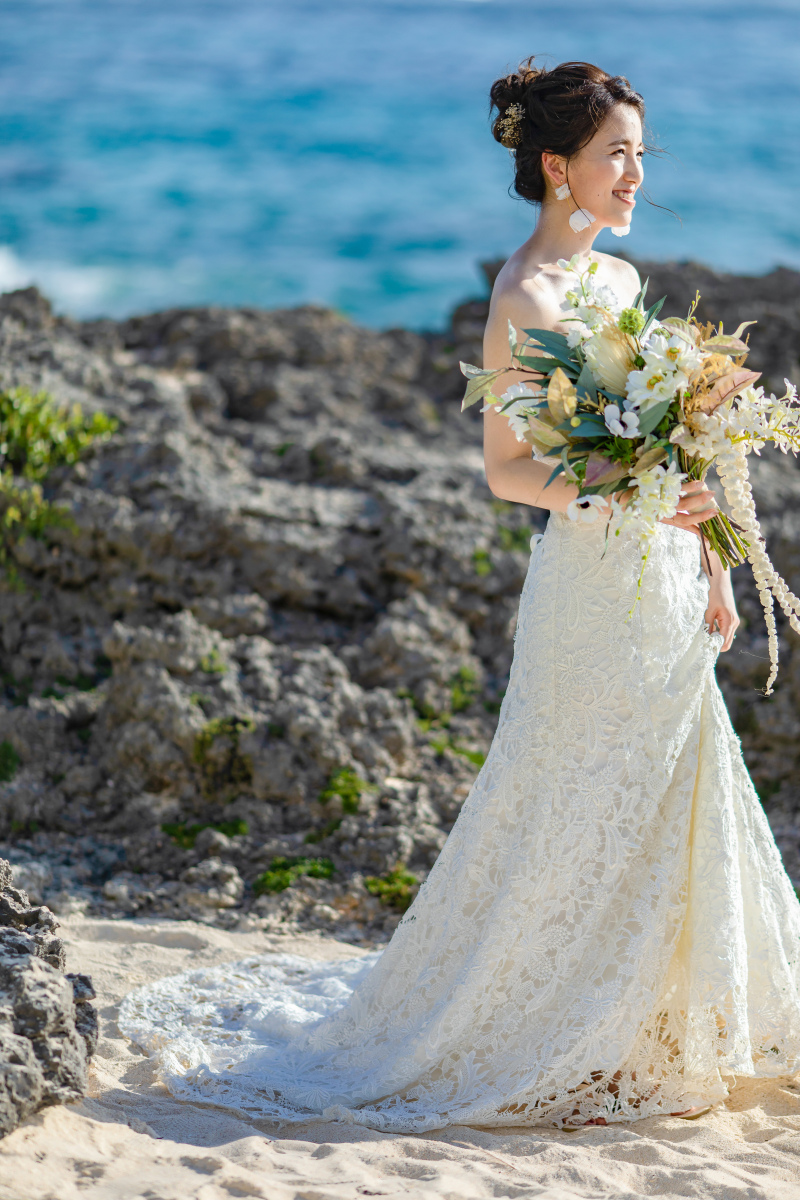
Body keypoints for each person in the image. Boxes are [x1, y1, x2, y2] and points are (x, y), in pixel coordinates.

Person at [119, 59, 800, 1131]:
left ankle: (648, 1029)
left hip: (666, 581)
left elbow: (687, 451)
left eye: (637, 153)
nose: (633, 173)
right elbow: (509, 471)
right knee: (566, 805)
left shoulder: (621, 287)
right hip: (587, 591)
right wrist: (631, 488)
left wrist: (713, 563)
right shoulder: (522, 296)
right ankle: (549, 1026)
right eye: (614, 153)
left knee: (674, 795)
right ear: (553, 167)